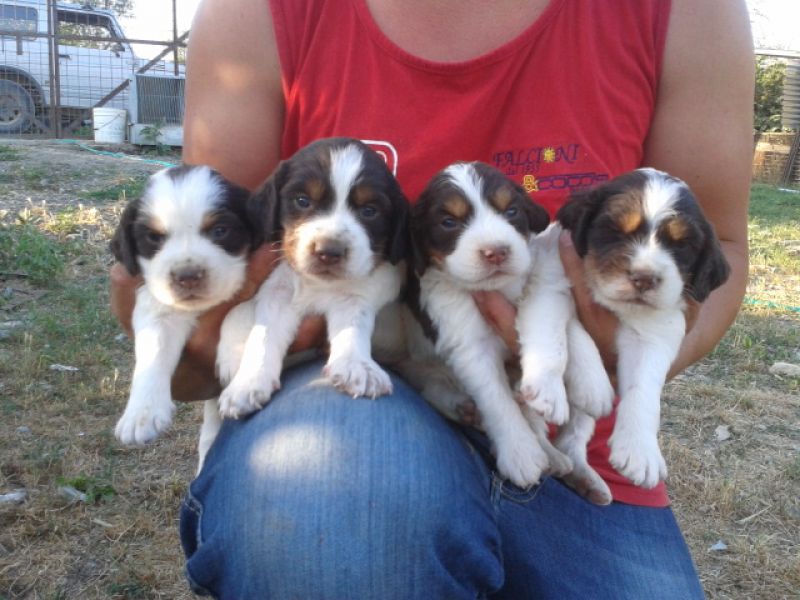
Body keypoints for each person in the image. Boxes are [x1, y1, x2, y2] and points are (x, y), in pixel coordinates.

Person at [111, 0, 754, 597]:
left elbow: (715, 245)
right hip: (358, 414)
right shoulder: (259, 13)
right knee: (333, 515)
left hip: (568, 432)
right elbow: (220, 256)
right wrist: (176, 334)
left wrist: (628, 369)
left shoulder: (687, 12)